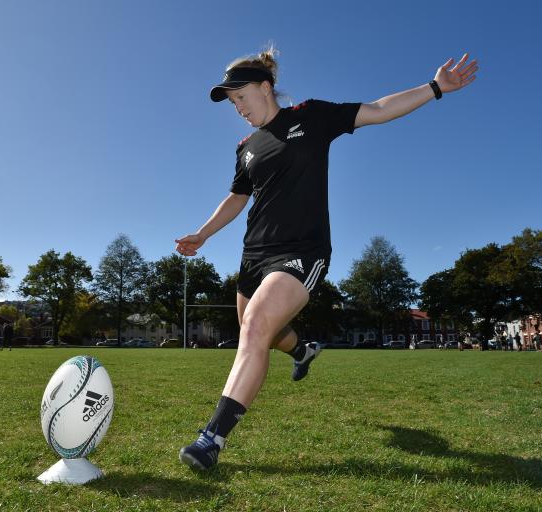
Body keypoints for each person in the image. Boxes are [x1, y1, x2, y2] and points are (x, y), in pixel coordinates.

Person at [175, 46, 478, 470]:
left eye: (241, 96)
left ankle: (211, 439)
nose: (237, 107)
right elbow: (237, 197)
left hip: (302, 251)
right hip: (255, 253)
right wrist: (203, 233)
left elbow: (376, 109)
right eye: (232, 102)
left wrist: (435, 88)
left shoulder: (310, 116)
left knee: (258, 326)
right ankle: (302, 350)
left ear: (265, 88)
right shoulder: (246, 147)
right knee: (254, 327)